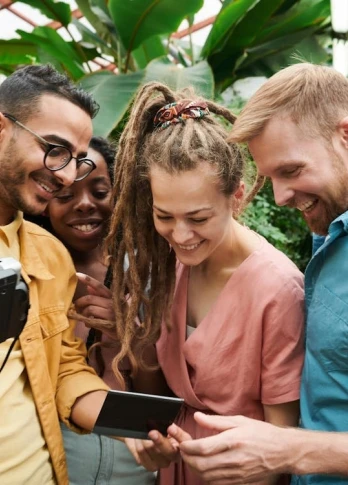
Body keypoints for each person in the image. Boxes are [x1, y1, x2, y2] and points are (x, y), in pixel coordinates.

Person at [103, 81, 305, 485]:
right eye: (164, 216)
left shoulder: (278, 290)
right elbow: (159, 394)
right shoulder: (166, 268)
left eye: (198, 218)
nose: (180, 236)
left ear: (237, 197)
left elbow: (281, 442)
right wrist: (149, 441)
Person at [175, 62, 348, 485]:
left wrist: (287, 448)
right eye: (270, 177)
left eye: (291, 170)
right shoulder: (332, 228)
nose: (282, 196)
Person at [0, 64, 112, 485]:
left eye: (77, 161)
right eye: (55, 148)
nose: (65, 174)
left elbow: (63, 364)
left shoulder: (51, 255)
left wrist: (128, 427)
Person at [43, 135, 156, 484]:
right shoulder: (33, 275)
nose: (84, 204)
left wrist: (128, 337)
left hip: (133, 464)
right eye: (64, 195)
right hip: (54, 462)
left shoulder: (146, 274)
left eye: (100, 192)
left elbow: (157, 396)